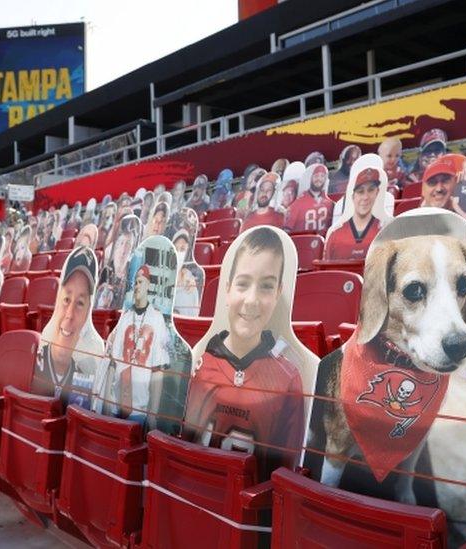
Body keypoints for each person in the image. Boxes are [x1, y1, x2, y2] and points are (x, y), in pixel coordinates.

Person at [184, 227, 305, 479]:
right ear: (227, 290)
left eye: (266, 286)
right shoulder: (200, 362)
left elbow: (283, 478)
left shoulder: (288, 379)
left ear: (278, 293)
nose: (252, 299)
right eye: (243, 284)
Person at [36, 247, 101, 408]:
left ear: (88, 311)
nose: (70, 314)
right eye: (66, 299)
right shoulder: (37, 353)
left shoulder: (91, 360)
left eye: (80, 303)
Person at [106, 264, 171, 424]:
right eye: (135, 282)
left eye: (141, 282)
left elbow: (158, 370)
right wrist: (106, 398)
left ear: (148, 285)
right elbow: (113, 362)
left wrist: (153, 414)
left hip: (139, 407)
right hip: (116, 403)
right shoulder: (126, 316)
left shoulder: (156, 318)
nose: (137, 286)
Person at [324, 166, 382, 261]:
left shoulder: (383, 232)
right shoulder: (335, 236)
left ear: (377, 192)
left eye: (371, 190)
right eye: (360, 191)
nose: (365, 197)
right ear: (353, 196)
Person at [285, 163, 335, 234]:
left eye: (322, 176)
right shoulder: (297, 203)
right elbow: (287, 230)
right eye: (316, 176)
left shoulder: (331, 204)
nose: (319, 179)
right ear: (311, 178)